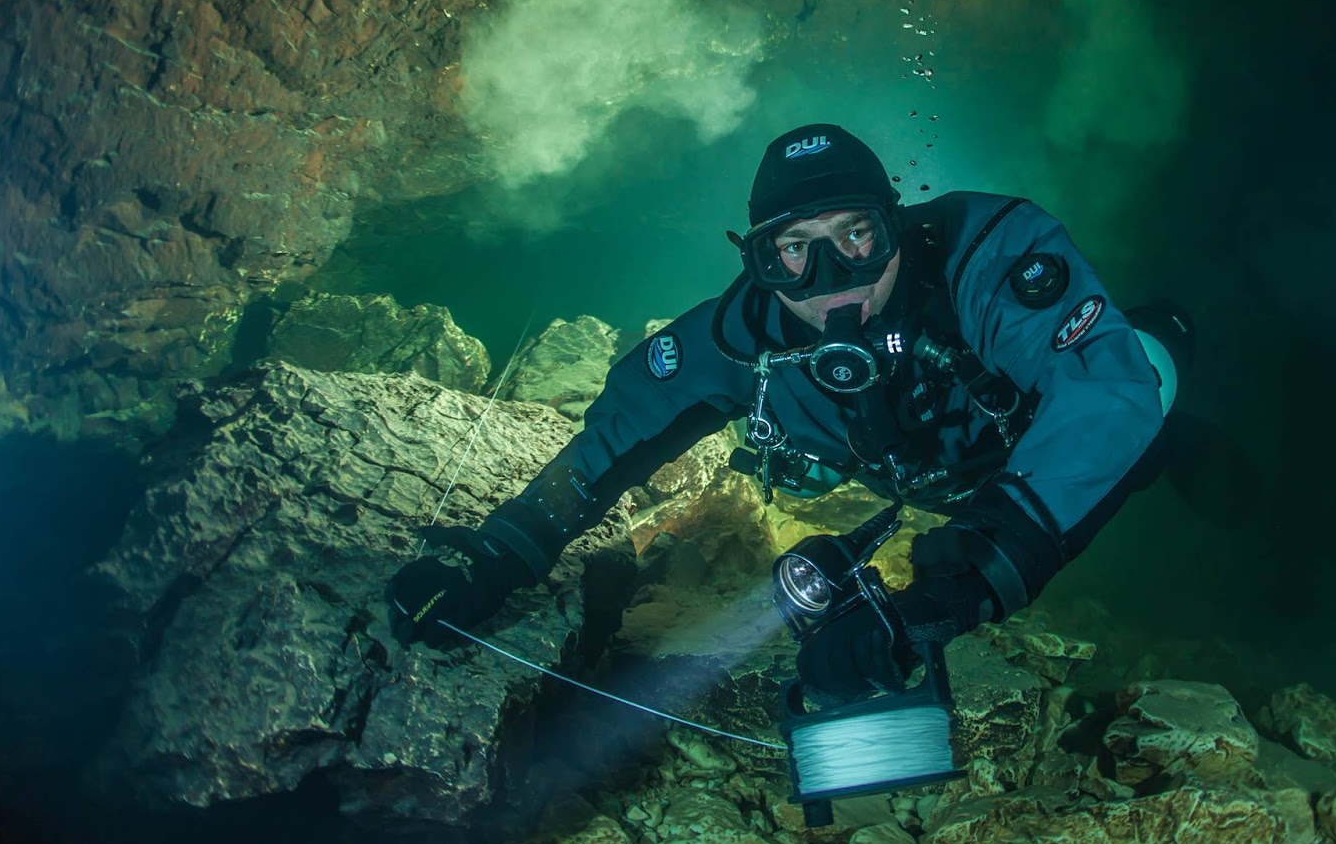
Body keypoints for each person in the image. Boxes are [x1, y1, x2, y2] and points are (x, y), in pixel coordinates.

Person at [390, 124, 1185, 702]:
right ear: (759, 261)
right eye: (794, 250)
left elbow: (1100, 395)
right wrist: (499, 552)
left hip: (1039, 440)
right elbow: (618, 433)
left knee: (1147, 402)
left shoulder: (989, 255)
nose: (832, 274)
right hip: (933, 473)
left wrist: (942, 600)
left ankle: (1182, 389)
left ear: (897, 228)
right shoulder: (738, 339)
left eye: (857, 235)